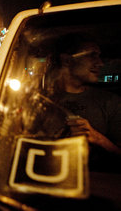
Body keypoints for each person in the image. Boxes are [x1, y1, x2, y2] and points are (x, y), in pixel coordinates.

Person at [47, 34, 121, 165]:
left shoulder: (110, 102)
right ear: (67, 60)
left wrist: (97, 138)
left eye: (99, 56)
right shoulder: (42, 101)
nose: (100, 63)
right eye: (92, 55)